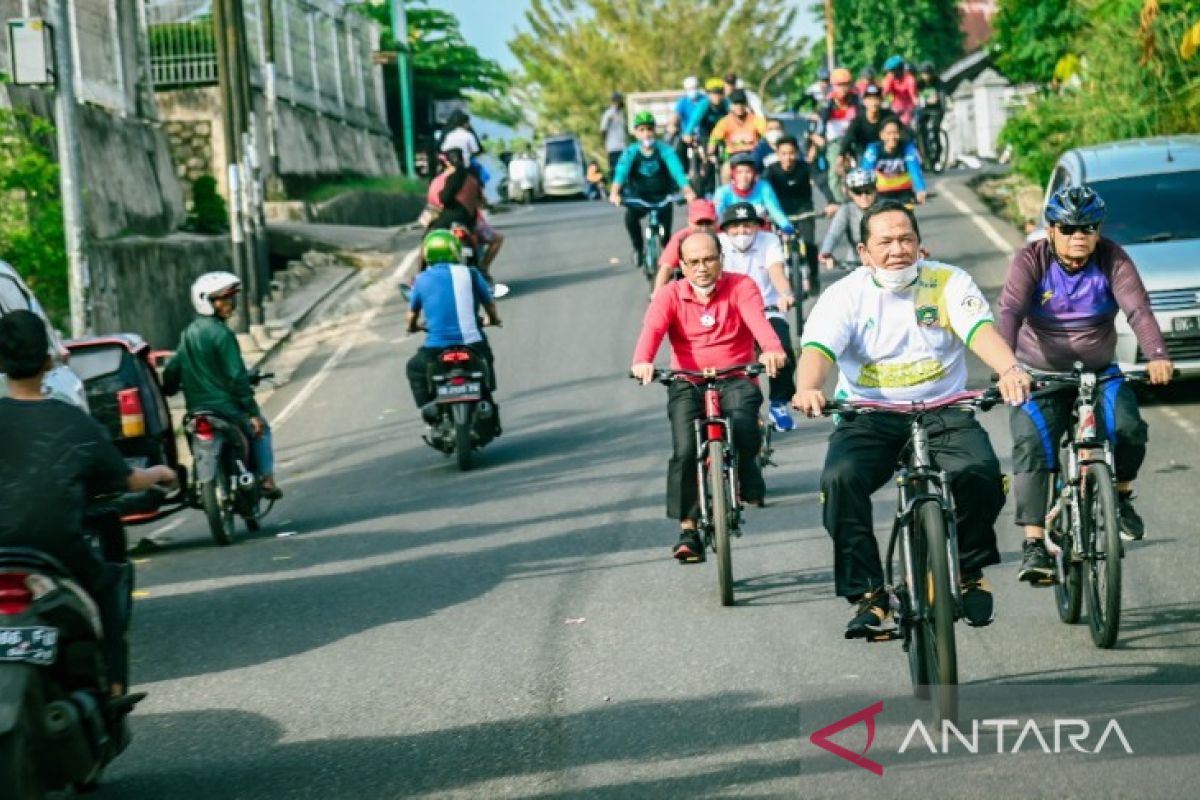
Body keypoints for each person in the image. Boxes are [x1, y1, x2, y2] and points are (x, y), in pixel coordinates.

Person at [792, 202, 1032, 637]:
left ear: (921, 245)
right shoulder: (844, 295)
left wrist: (1010, 369)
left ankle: (968, 571)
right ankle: (869, 595)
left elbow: (978, 330)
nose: (897, 249)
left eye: (906, 239)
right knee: (840, 480)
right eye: (885, 242)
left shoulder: (948, 281)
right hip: (868, 416)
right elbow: (818, 351)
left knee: (979, 473)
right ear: (864, 253)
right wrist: (809, 387)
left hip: (944, 409)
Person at [997, 187, 1173, 579]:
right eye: (1068, 227)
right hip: (1038, 376)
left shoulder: (1112, 258)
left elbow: (1138, 309)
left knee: (1129, 429)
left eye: (1088, 227)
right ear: (1050, 230)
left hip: (1098, 372)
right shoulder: (1032, 259)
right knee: (1032, 447)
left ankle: (1122, 497)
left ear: (1098, 231)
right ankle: (1033, 542)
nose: (1079, 235)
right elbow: (1009, 310)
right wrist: (1007, 367)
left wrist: (1158, 356)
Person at [0, 310, 177, 697]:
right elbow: (127, 479)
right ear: (49, 360)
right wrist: (160, 473)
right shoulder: (73, 421)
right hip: (57, 550)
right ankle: (114, 688)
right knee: (106, 589)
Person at [631, 232, 788, 560]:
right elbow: (652, 331)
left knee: (745, 427)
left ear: (721, 259)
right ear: (682, 267)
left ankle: (747, 475)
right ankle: (688, 528)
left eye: (708, 259)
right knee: (685, 450)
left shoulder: (741, 286)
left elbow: (760, 325)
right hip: (687, 381)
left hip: (736, 376)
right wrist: (642, 362)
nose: (702, 268)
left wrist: (772, 350)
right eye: (693, 262)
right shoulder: (669, 295)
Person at [163, 272, 282, 499]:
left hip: (196, 410)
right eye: (222, 300)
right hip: (227, 409)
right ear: (206, 302)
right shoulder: (222, 334)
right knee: (261, 430)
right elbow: (237, 376)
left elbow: (173, 369)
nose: (229, 305)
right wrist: (252, 412)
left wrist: (167, 388)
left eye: (230, 299)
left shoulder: (188, 333)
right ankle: (267, 479)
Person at [405, 230, 503, 434]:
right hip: (472, 344)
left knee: (414, 368)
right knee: (486, 361)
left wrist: (413, 327)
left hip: (436, 347)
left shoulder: (421, 280)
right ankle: (485, 400)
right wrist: (494, 320)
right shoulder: (471, 273)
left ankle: (428, 407)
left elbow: (411, 315)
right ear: (456, 252)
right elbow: (489, 305)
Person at [717, 202, 798, 432]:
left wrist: (785, 293)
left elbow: (776, 271)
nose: (742, 231)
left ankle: (779, 403)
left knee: (782, 350)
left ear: (756, 226)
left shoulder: (769, 240)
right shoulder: (719, 245)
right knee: (723, 357)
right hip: (732, 311)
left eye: (747, 225)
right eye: (735, 226)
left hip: (767, 308)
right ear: (726, 229)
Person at [609, 111, 694, 264]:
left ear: (654, 131)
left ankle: (667, 264)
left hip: (663, 197)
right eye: (641, 130)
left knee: (667, 237)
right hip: (639, 198)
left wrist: (687, 191)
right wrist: (615, 193)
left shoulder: (665, 150)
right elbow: (621, 172)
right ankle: (638, 249)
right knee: (630, 218)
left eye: (649, 129)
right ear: (635, 133)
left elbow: (677, 172)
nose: (646, 134)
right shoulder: (631, 152)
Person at [763, 134, 838, 298]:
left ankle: (813, 276)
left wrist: (831, 201)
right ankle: (782, 281)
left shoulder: (805, 167)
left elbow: (821, 183)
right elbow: (762, 190)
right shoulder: (771, 171)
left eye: (791, 153)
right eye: (783, 153)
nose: (787, 158)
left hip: (805, 212)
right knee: (777, 249)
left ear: (796, 152)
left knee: (810, 244)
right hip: (780, 215)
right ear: (777, 153)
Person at [712, 152, 793, 235]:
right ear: (733, 174)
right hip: (733, 233)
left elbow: (774, 210)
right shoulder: (723, 192)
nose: (744, 176)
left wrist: (785, 225)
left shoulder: (763, 187)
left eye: (748, 172)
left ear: (754, 173)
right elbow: (716, 214)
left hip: (759, 232)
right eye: (739, 172)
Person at [811, 68, 860, 202]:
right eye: (839, 85)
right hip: (835, 141)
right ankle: (841, 202)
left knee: (864, 165)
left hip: (854, 138)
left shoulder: (856, 99)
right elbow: (821, 123)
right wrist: (818, 137)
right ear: (833, 86)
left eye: (846, 84)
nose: (843, 89)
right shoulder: (828, 102)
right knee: (834, 171)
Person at [818, 168, 877, 268]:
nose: (864, 196)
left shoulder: (885, 208)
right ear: (850, 193)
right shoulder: (846, 210)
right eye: (857, 191)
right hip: (857, 262)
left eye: (868, 190)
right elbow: (833, 234)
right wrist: (826, 252)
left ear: (876, 190)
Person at [860, 117, 926, 206]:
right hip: (881, 193)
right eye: (888, 133)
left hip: (904, 192)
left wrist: (920, 189)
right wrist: (865, 192)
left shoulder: (908, 148)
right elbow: (866, 171)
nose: (892, 137)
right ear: (882, 135)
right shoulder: (874, 149)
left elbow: (915, 170)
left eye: (895, 133)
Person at [654, 198, 718, 288]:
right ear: (689, 222)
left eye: (708, 223)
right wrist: (657, 295)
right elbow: (666, 268)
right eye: (699, 223)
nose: (704, 228)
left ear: (716, 221)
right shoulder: (681, 238)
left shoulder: (725, 234)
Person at [707, 89, 768, 177]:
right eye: (736, 104)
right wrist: (711, 153)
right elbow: (714, 138)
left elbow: (767, 134)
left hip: (752, 155)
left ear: (746, 104)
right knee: (725, 172)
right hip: (732, 156)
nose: (739, 107)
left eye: (741, 103)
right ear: (731, 105)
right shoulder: (724, 122)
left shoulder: (756, 120)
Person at [840, 84, 897, 162]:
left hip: (886, 155)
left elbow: (902, 131)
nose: (873, 102)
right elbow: (848, 137)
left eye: (876, 98)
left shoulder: (888, 115)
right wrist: (841, 155)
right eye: (870, 99)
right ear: (864, 101)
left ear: (881, 100)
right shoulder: (858, 119)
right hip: (864, 156)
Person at [914, 62, 946, 162]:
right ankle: (924, 152)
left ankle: (938, 151)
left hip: (937, 110)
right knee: (919, 128)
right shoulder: (919, 83)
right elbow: (915, 96)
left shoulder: (938, 83)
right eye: (924, 74)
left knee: (934, 128)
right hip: (924, 110)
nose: (926, 76)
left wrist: (941, 106)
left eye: (928, 74)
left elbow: (940, 97)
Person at [881, 56, 919, 126]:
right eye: (889, 71)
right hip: (895, 108)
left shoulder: (910, 79)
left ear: (899, 70)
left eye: (891, 71)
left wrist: (918, 104)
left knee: (904, 124)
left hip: (908, 109)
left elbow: (914, 97)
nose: (889, 74)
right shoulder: (889, 78)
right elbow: (883, 93)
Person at [601, 92, 628, 175]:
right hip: (613, 147)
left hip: (622, 147)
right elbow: (603, 129)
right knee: (615, 170)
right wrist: (604, 143)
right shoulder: (608, 114)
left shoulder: (621, 114)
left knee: (623, 170)